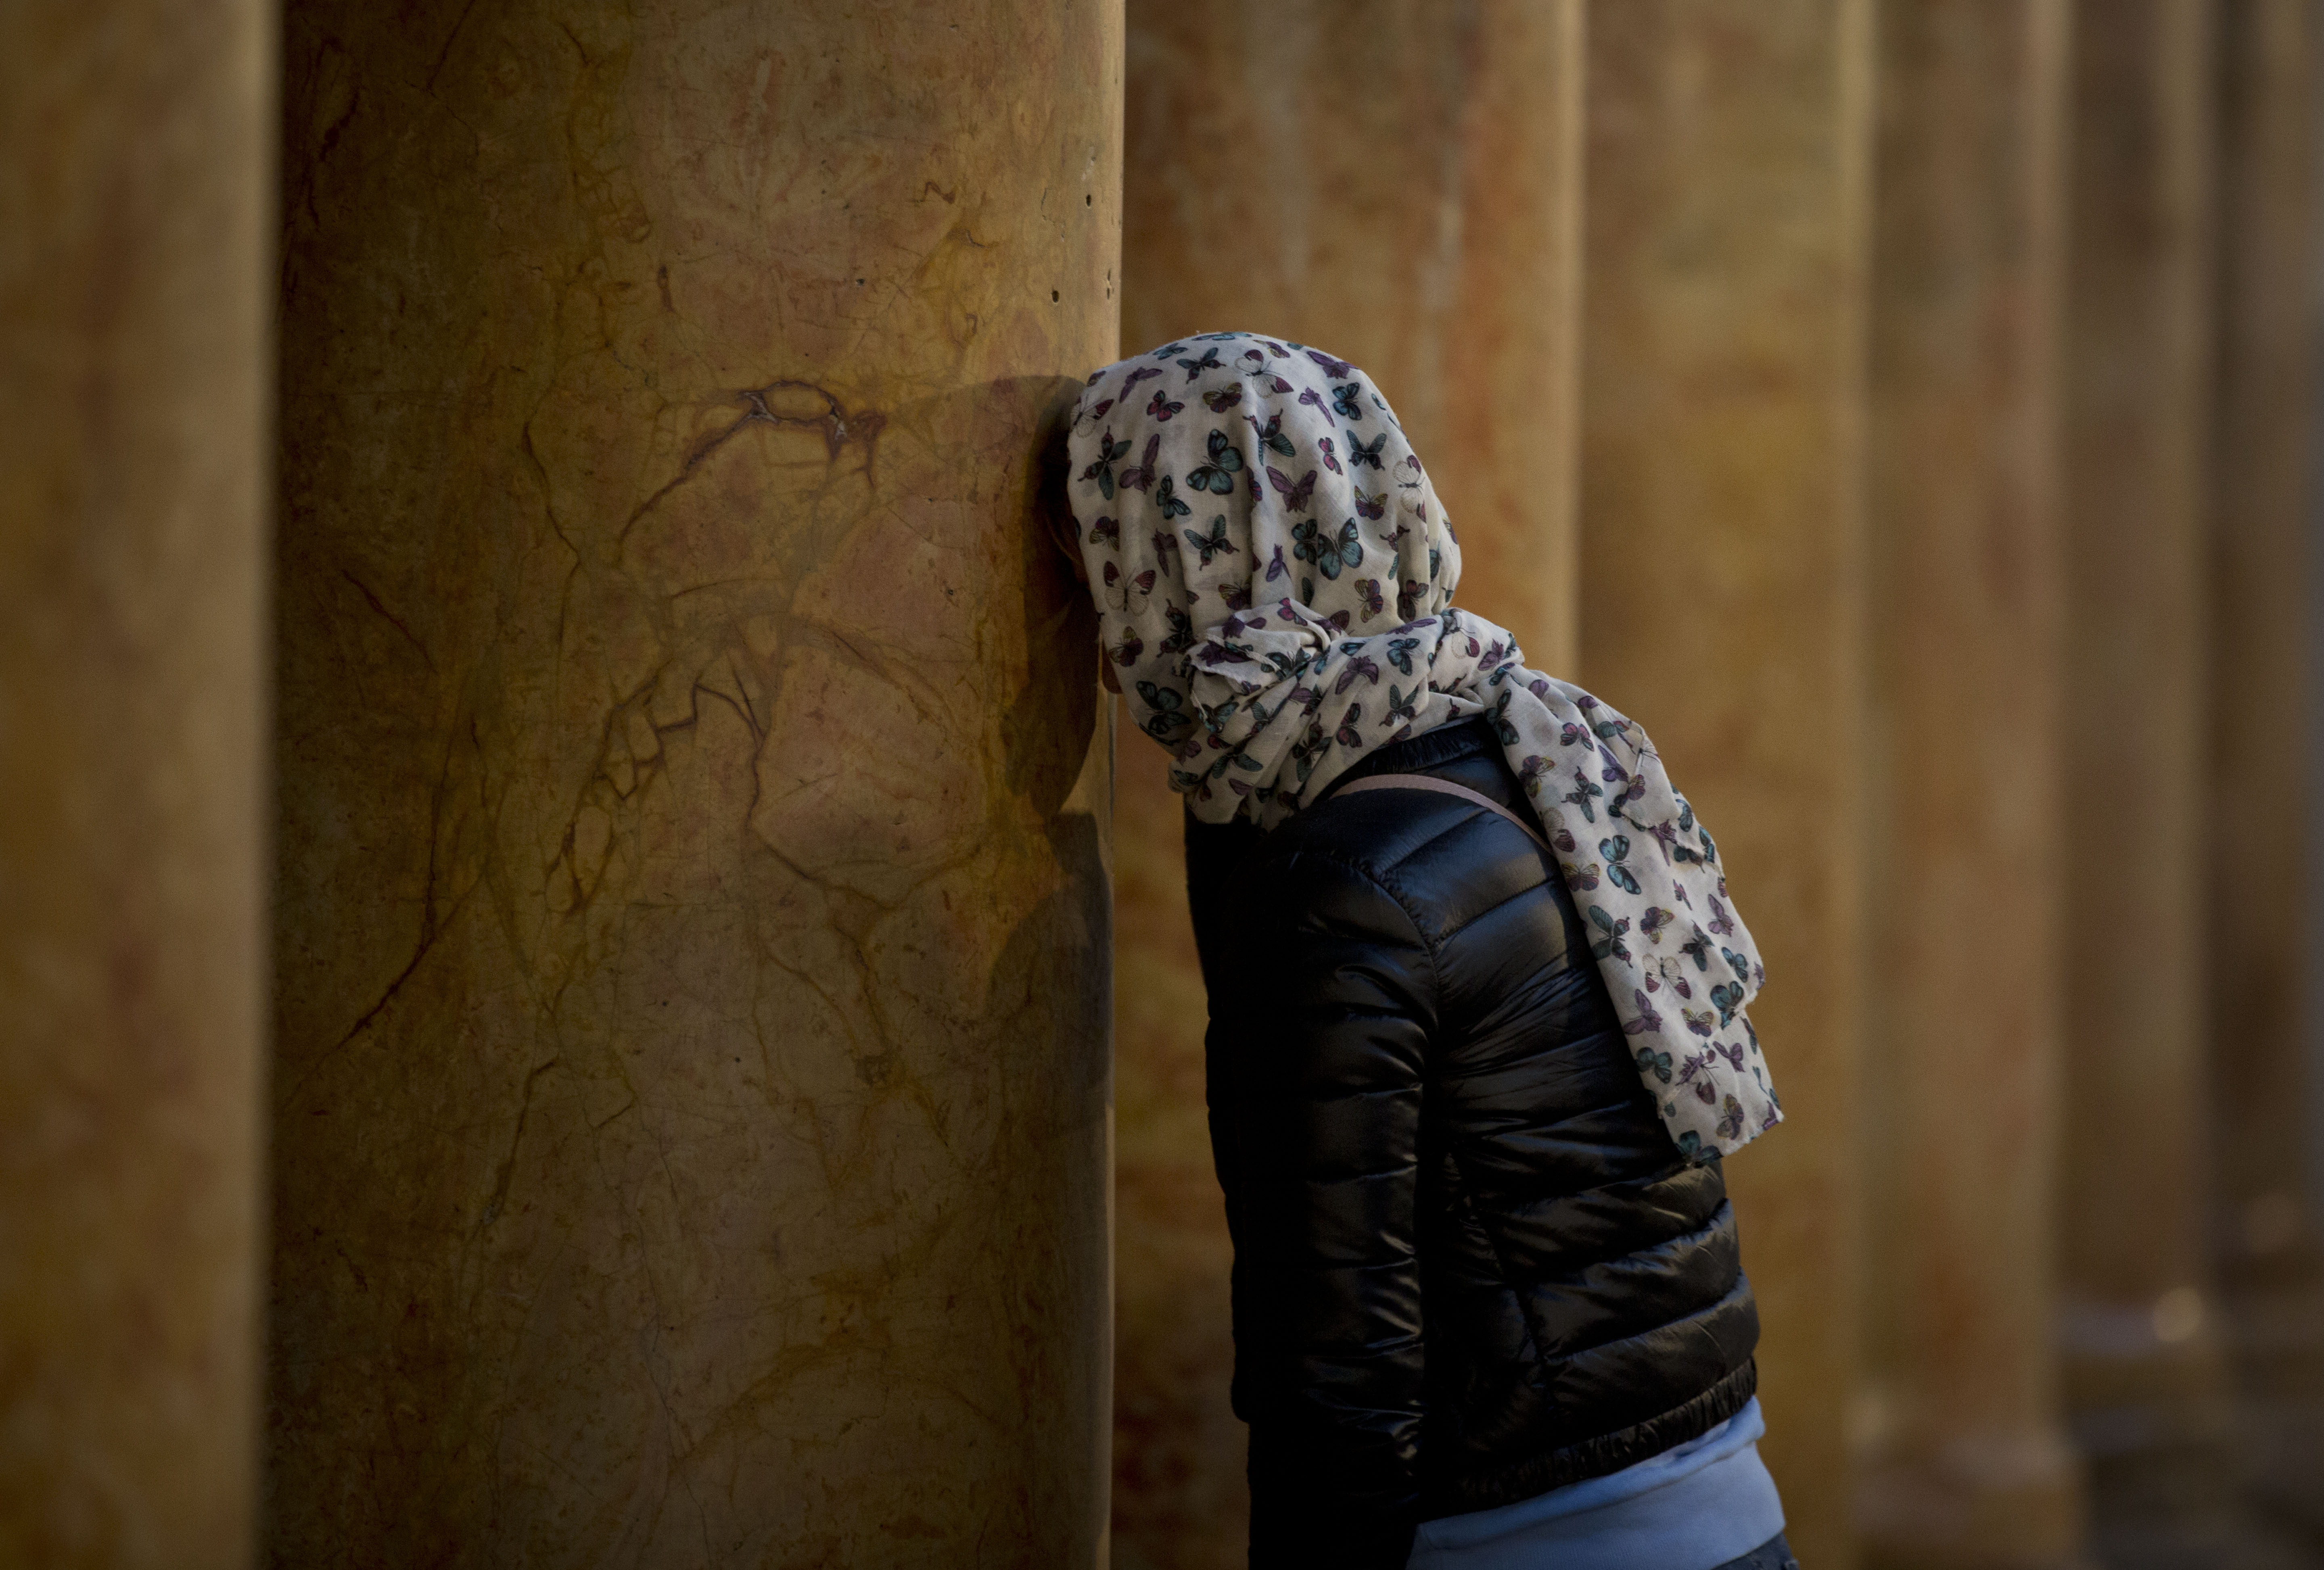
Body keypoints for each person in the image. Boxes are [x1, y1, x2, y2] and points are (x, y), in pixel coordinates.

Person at [1060, 332, 1795, 1570]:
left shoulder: (1336, 876)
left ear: (1163, 566)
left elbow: (1336, 1370)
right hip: (1723, 1501)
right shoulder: (1532, 752)